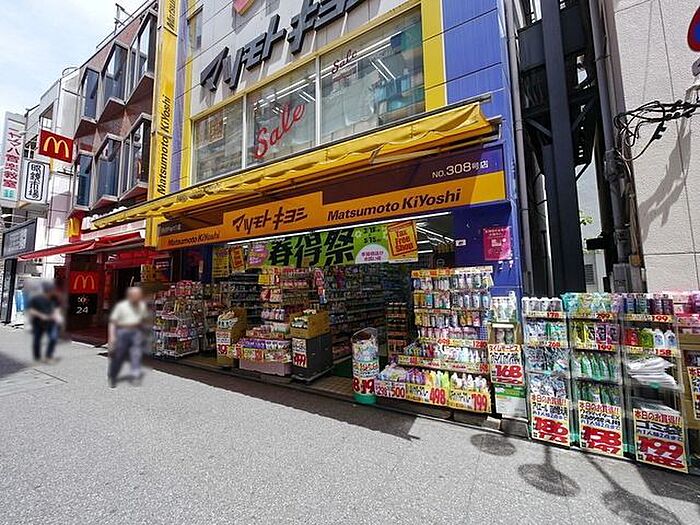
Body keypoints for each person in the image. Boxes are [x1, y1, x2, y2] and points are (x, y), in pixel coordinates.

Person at [108, 287, 148, 388]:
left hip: (136, 331)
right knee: (119, 355)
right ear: (130, 296)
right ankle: (113, 375)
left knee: (136, 353)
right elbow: (113, 322)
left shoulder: (142, 306)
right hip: (123, 331)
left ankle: (135, 375)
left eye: (139, 295)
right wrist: (112, 336)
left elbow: (143, 320)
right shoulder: (121, 306)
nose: (138, 297)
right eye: (136, 295)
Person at [27, 283, 59, 363]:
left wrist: (56, 316)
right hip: (38, 322)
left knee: (53, 338)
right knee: (37, 339)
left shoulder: (54, 299)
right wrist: (41, 316)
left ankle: (48, 357)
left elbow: (56, 309)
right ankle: (37, 357)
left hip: (51, 322)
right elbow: (31, 310)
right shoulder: (36, 299)